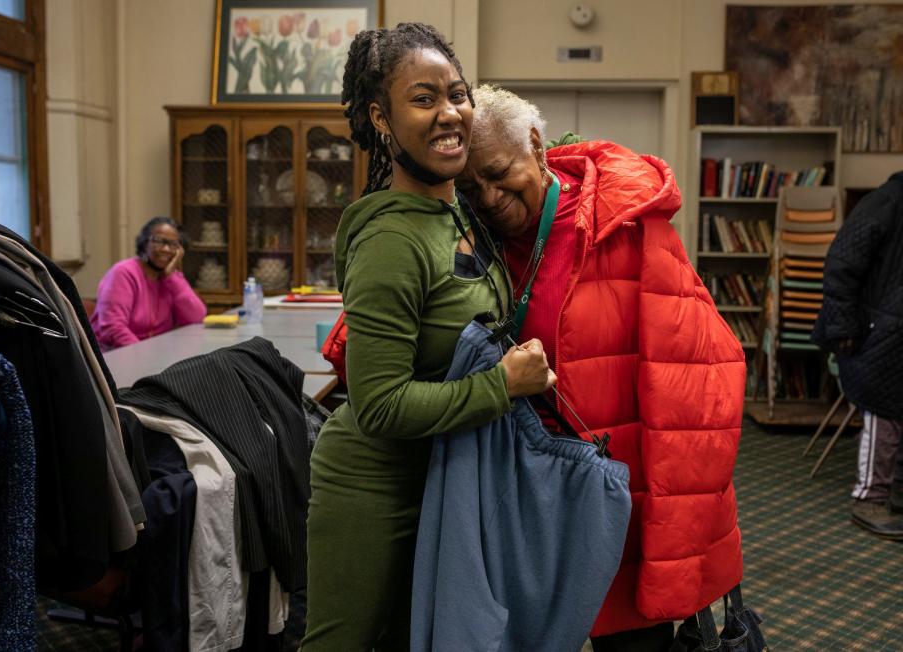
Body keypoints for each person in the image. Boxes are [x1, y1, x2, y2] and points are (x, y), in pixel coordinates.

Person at [457, 85, 746, 652]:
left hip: (622, 497)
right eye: (471, 186)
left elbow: (697, 388)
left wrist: (676, 543)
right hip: (522, 498)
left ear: (535, 146)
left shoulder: (626, 227)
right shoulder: (468, 237)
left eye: (498, 173)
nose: (488, 197)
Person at [301, 24, 554, 651]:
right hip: (376, 488)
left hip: (447, 478)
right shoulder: (392, 240)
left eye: (458, 94)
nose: (449, 114)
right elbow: (380, 403)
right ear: (380, 119)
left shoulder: (460, 209)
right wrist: (502, 384)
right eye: (423, 99)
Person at [811, 171, 903, 540]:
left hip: (889, 330)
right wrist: (843, 328)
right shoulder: (887, 200)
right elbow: (841, 264)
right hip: (876, 334)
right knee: (885, 412)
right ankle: (870, 498)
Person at [91, 216, 206, 351]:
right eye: (158, 241)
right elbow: (113, 327)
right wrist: (143, 355)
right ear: (144, 243)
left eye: (173, 244)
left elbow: (196, 317)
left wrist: (171, 277)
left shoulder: (172, 279)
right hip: (115, 355)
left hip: (156, 355)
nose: (166, 249)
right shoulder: (123, 272)